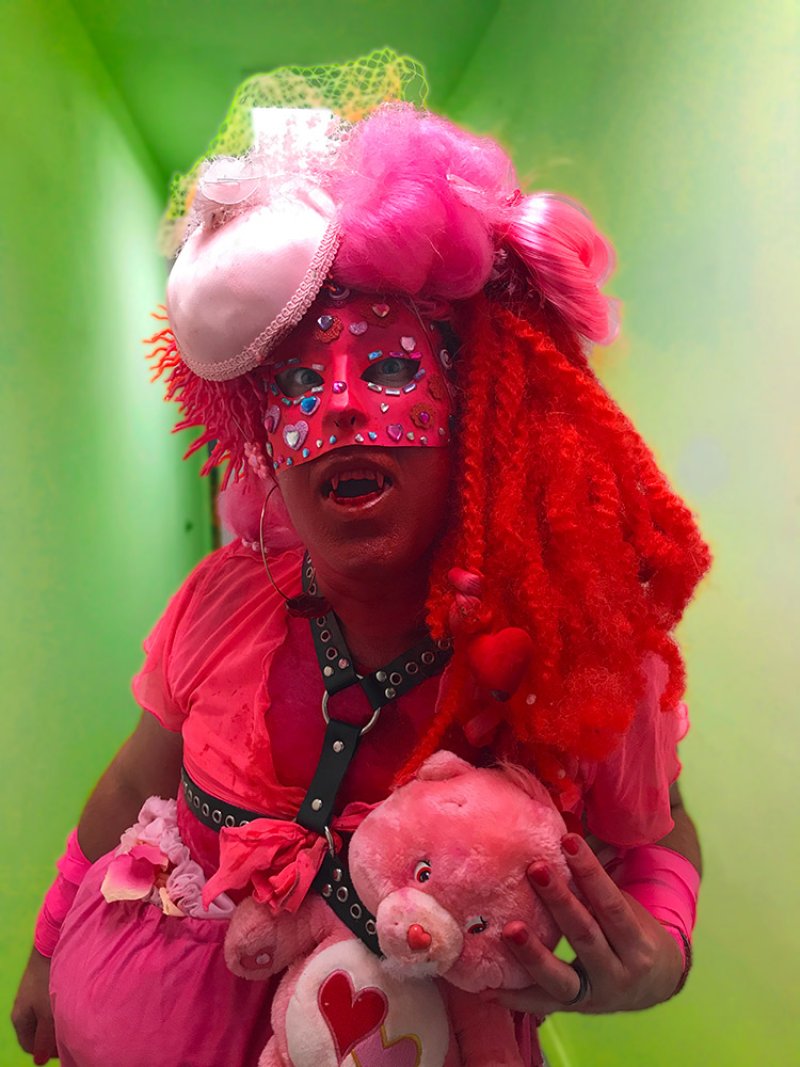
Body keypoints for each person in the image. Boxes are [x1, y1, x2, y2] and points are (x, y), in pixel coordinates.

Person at [11, 51, 709, 1067]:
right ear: (265, 438)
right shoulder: (217, 601)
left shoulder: (574, 658)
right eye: (299, 387)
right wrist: (46, 950)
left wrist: (662, 953)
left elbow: (656, 830)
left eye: (387, 367)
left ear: (474, 407)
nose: (338, 406)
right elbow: (130, 788)